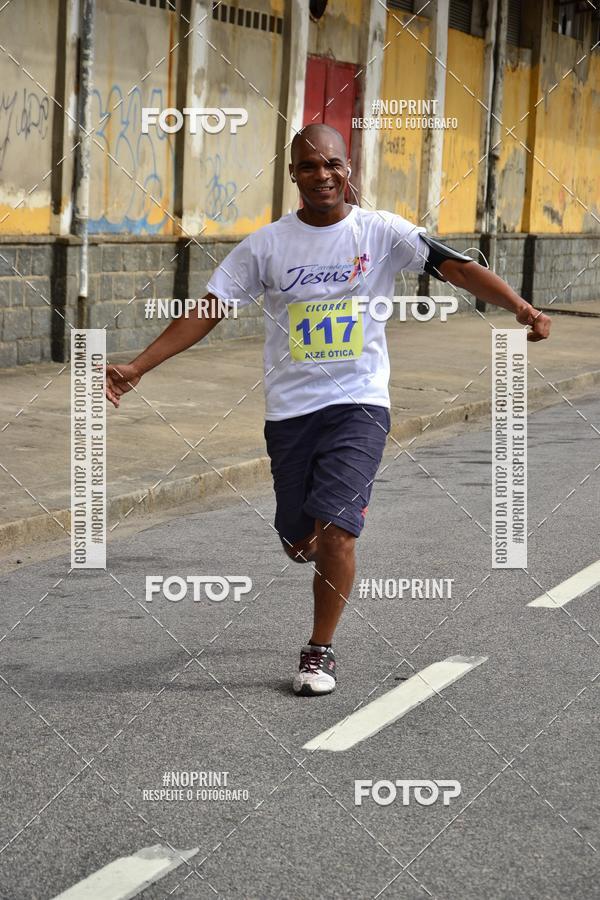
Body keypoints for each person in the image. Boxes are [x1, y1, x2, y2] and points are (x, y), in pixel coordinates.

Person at [106, 123, 551, 697]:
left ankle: (319, 650)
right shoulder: (267, 245)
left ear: (349, 171)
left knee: (339, 533)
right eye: (309, 167)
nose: (323, 176)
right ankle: (309, 537)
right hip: (290, 412)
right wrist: (139, 366)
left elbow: (457, 267)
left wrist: (518, 305)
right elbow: (209, 307)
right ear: (293, 175)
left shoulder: (381, 232)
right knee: (300, 537)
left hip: (359, 404)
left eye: (333, 165)